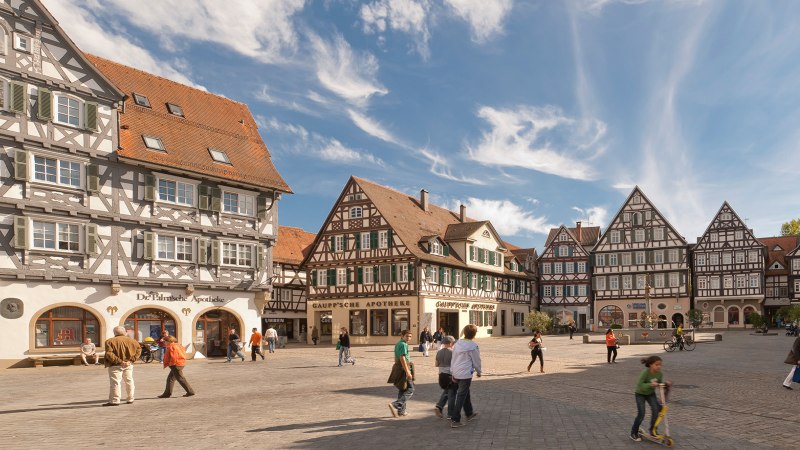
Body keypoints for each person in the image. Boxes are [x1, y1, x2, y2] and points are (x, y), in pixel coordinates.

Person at [630, 356, 671, 441]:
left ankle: (653, 431)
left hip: (650, 393)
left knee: (656, 410)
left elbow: (660, 385)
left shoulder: (659, 374)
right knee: (641, 413)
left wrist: (666, 384)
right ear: (651, 365)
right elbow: (640, 385)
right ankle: (633, 432)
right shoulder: (645, 373)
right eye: (657, 365)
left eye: (660, 365)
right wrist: (650, 385)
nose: (659, 366)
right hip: (640, 394)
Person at [450, 324, 481, 428]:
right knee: (461, 395)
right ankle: (455, 419)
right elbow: (476, 361)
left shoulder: (457, 344)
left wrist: (452, 372)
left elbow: (453, 359)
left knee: (465, 392)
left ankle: (469, 413)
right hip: (465, 373)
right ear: (474, 334)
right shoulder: (473, 346)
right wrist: (479, 371)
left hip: (457, 372)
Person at [103, 325, 141, 406]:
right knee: (129, 381)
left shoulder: (109, 341)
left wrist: (120, 362)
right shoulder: (133, 341)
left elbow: (109, 354)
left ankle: (115, 400)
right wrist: (130, 360)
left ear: (114, 333)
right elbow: (138, 350)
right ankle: (130, 398)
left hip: (115, 365)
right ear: (124, 332)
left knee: (115, 383)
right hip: (128, 364)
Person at [387, 329, 414, 417]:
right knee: (410, 389)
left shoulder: (399, 343)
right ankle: (396, 404)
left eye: (410, 336)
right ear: (402, 336)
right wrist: (407, 372)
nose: (409, 338)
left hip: (399, 367)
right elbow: (402, 358)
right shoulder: (403, 344)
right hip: (403, 368)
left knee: (403, 389)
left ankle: (401, 411)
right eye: (407, 336)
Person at [434, 335, 456, 419]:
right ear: (451, 343)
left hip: (441, 375)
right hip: (450, 375)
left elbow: (436, 364)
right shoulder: (453, 352)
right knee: (451, 395)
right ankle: (450, 414)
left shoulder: (439, 352)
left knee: (447, 392)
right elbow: (455, 364)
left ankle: (439, 406)